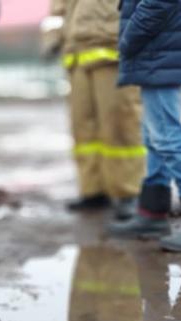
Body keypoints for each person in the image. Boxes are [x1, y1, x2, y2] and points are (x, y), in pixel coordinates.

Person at [108, 0, 181, 252]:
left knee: (167, 137)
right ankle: (152, 213)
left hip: (160, 49)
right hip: (161, 49)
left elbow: (159, 3)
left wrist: (128, 39)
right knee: (154, 135)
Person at [46, 0, 145, 219]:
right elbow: (56, 10)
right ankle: (93, 190)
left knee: (120, 124)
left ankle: (129, 192)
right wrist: (52, 39)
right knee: (83, 128)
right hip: (76, 54)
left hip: (113, 50)